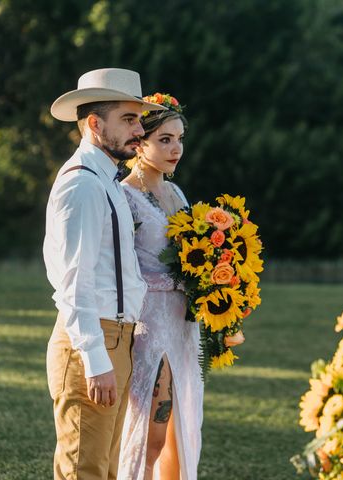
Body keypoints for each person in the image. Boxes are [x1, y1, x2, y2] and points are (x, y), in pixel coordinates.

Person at [43, 68, 166, 480]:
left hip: (117, 337)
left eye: (138, 119)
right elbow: (72, 282)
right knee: (85, 470)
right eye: (128, 120)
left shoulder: (106, 179)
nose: (138, 130)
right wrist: (95, 359)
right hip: (90, 342)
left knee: (105, 470)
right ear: (95, 124)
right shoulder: (82, 185)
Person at [118, 93, 204, 480]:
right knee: (151, 433)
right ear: (140, 142)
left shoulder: (178, 195)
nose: (176, 149)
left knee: (178, 431)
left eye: (179, 139)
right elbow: (122, 267)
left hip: (183, 323)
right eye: (165, 140)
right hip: (149, 323)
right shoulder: (125, 196)